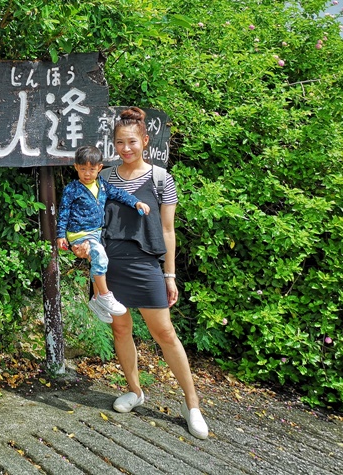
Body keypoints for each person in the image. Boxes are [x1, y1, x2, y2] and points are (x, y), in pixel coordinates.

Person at [72, 107, 209, 440]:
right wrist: (82, 245)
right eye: (119, 142)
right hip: (109, 263)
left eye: (132, 141)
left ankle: (193, 405)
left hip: (146, 263)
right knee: (121, 330)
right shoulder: (104, 178)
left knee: (165, 333)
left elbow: (167, 230)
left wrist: (170, 275)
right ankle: (134, 390)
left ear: (145, 141)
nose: (126, 148)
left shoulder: (161, 178)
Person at [56, 146, 151, 323]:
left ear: (99, 168)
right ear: (76, 167)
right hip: (79, 234)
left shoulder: (102, 185)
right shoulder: (72, 189)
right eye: (83, 169)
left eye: (91, 169)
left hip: (96, 232)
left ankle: (95, 301)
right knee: (101, 259)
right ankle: (105, 295)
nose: (87, 173)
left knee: (96, 262)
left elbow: (120, 194)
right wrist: (61, 235)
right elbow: (64, 211)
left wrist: (136, 203)